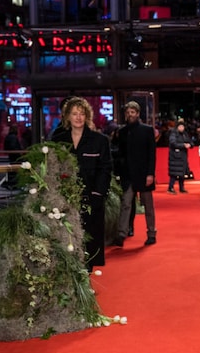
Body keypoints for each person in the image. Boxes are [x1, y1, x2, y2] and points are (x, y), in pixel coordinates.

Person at [51, 97, 113, 272]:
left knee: (89, 238)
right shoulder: (58, 139)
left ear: (87, 116)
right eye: (74, 113)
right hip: (65, 199)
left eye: (82, 113)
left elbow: (105, 169)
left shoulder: (99, 140)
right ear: (67, 117)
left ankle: (86, 275)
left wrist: (98, 194)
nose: (78, 117)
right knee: (66, 237)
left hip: (91, 197)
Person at [114, 100, 157, 246]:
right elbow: (120, 154)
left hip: (144, 174)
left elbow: (152, 154)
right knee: (126, 203)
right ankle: (121, 233)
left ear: (138, 114)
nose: (129, 115)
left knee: (148, 205)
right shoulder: (122, 132)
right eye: (127, 112)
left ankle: (151, 233)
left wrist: (150, 174)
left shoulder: (147, 130)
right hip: (128, 175)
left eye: (132, 112)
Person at [167, 119, 192, 194]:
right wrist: (183, 145)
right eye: (180, 126)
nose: (181, 128)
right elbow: (173, 143)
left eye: (182, 126)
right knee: (174, 173)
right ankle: (170, 187)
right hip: (175, 157)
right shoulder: (173, 133)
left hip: (183, 156)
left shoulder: (185, 134)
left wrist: (190, 145)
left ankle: (182, 188)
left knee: (182, 173)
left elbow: (190, 141)